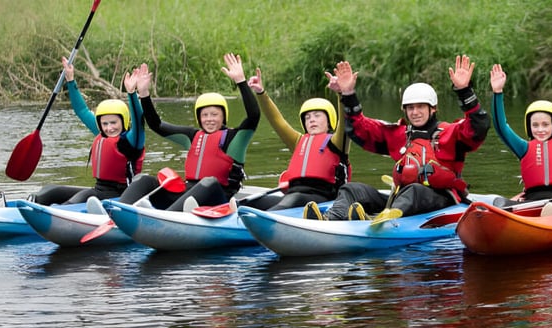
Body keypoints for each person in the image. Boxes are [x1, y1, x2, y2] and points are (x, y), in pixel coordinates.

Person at [304, 55, 489, 221]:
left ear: (433, 109)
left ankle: (380, 221)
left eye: (420, 107)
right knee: (351, 189)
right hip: (401, 200)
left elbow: (478, 127)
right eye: (410, 108)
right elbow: (359, 129)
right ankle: (331, 220)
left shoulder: (451, 133)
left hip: (441, 200)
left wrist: (464, 91)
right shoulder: (399, 134)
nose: (415, 112)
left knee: (414, 191)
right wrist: (348, 94)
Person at [118, 52, 260, 211]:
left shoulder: (234, 139)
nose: (209, 119)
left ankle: (166, 218)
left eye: (214, 114)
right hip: (188, 195)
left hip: (218, 199)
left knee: (208, 182)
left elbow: (254, 116)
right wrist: (143, 94)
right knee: (143, 179)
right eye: (205, 115)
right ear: (199, 118)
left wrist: (240, 81)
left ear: (223, 117)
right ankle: (116, 213)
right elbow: (156, 125)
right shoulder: (193, 137)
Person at [25, 57, 146, 206]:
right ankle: (23, 207)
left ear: (124, 121)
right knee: (50, 191)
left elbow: (140, 123)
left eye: (114, 122)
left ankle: (55, 213)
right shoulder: (102, 134)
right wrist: (70, 80)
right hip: (99, 190)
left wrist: (131, 93)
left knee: (76, 200)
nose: (109, 128)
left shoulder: (132, 140)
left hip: (122, 196)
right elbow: (81, 110)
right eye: (105, 123)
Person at [489, 54, 552, 216]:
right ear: (528, 127)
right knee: (499, 203)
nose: (540, 129)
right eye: (535, 125)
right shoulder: (523, 148)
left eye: (545, 124)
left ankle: (551, 213)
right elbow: (501, 127)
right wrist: (498, 92)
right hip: (531, 201)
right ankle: (513, 215)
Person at [243, 67, 350, 210]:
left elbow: (346, 120)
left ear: (330, 119)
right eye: (307, 117)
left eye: (317, 115)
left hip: (324, 201)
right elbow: (277, 121)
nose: (312, 120)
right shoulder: (299, 141)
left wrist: (341, 93)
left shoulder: (337, 142)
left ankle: (266, 222)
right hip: (293, 197)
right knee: (252, 203)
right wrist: (261, 93)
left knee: (294, 199)